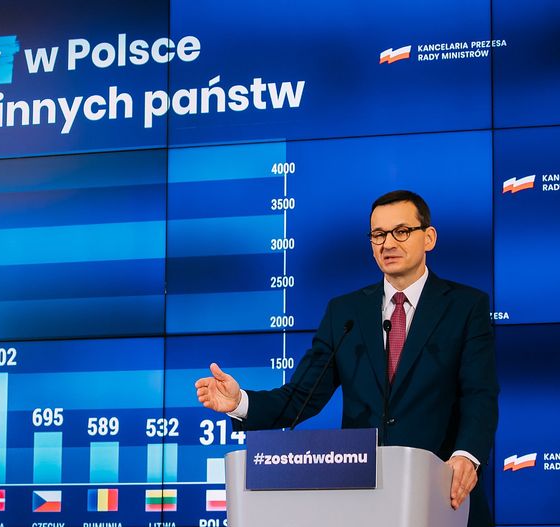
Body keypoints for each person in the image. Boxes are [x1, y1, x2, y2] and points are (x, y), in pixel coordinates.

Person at [195, 190, 498, 527]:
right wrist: (240, 402)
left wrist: (466, 456)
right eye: (378, 235)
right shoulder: (345, 313)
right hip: (362, 500)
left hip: (443, 496)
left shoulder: (465, 306)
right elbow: (302, 396)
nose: (388, 243)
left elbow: (480, 394)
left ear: (428, 237)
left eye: (401, 231)